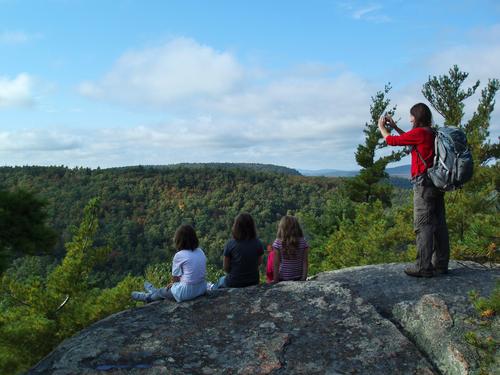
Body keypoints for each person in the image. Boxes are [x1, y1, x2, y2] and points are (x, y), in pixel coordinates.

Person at [378, 103, 450, 278]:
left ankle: (423, 267)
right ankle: (440, 264)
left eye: (411, 116)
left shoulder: (419, 133)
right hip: (436, 183)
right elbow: (411, 140)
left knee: (423, 225)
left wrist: (382, 127)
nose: (410, 119)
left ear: (416, 117)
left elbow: (391, 141)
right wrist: (395, 127)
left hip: (423, 184)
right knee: (439, 224)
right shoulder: (431, 133)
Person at [131, 224, 207, 302]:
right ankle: (153, 291)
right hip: (201, 288)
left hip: (186, 292)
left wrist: (173, 284)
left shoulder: (179, 255)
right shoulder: (200, 251)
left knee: (162, 292)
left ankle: (147, 297)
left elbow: (175, 278)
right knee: (164, 291)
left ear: (179, 240)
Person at [212, 213, 264, 289]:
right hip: (253, 281)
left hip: (234, 282)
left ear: (236, 227)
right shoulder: (257, 243)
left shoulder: (230, 244)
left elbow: (226, 267)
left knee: (219, 281)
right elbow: (259, 262)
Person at [272, 215, 309, 283]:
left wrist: (275, 280)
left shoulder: (278, 242)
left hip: (283, 278)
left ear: (282, 228)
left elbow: (276, 263)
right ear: (297, 227)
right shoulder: (303, 241)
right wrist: (303, 278)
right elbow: (305, 262)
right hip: (298, 277)